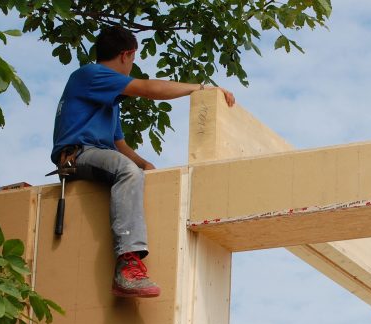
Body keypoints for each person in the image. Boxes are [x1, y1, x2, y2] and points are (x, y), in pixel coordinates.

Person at [51, 26, 235, 298]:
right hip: (77, 155)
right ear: (127, 55)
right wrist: (201, 88)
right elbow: (148, 88)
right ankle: (127, 265)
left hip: (95, 154)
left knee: (132, 168)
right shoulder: (90, 75)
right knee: (126, 170)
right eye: (133, 60)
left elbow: (118, 144)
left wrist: (146, 165)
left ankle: (130, 262)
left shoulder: (109, 101)